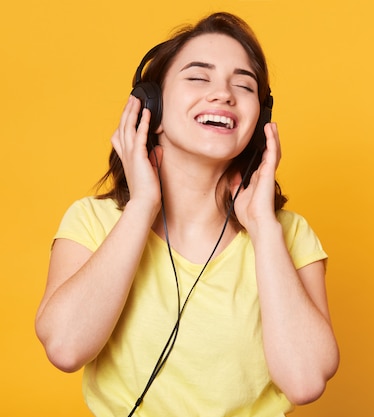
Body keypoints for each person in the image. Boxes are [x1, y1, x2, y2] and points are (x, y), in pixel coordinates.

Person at [35, 11, 339, 417]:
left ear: (259, 119)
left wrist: (264, 228)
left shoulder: (288, 235)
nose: (223, 94)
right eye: (198, 77)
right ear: (151, 108)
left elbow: (305, 381)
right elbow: (65, 348)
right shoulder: (93, 221)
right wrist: (143, 205)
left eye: (244, 85)